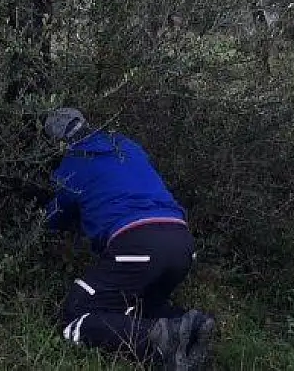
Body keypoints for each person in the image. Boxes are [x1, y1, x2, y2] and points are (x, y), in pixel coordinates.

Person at [42, 107, 215, 371]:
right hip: (181, 240)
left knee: (77, 314)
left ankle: (157, 342)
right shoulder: (125, 144)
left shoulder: (71, 165)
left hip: (137, 241)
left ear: (58, 142)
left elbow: (53, 218)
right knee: (136, 304)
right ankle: (190, 328)